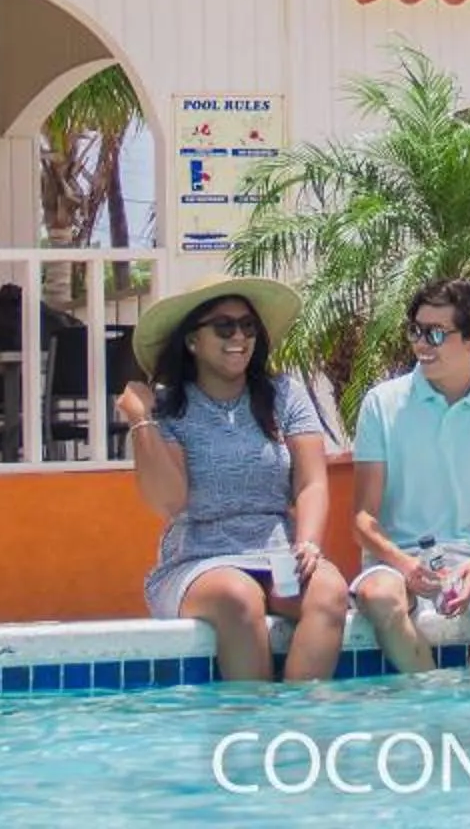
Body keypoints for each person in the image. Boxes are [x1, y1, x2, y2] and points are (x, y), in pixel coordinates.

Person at [118, 276, 352, 683]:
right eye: (224, 326)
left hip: (279, 551)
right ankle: (249, 729)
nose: (239, 336)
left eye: (248, 326)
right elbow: (170, 502)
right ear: (193, 340)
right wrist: (142, 421)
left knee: (330, 591)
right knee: (239, 597)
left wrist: (310, 541)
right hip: (199, 557)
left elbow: (311, 482)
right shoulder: (171, 408)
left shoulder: (285, 395)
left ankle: (296, 726)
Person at [348, 279, 470, 673]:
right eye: (416, 330)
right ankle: (432, 702)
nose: (422, 343)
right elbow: (362, 520)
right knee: (381, 597)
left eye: (437, 333)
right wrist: (404, 564)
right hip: (395, 557)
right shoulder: (381, 404)